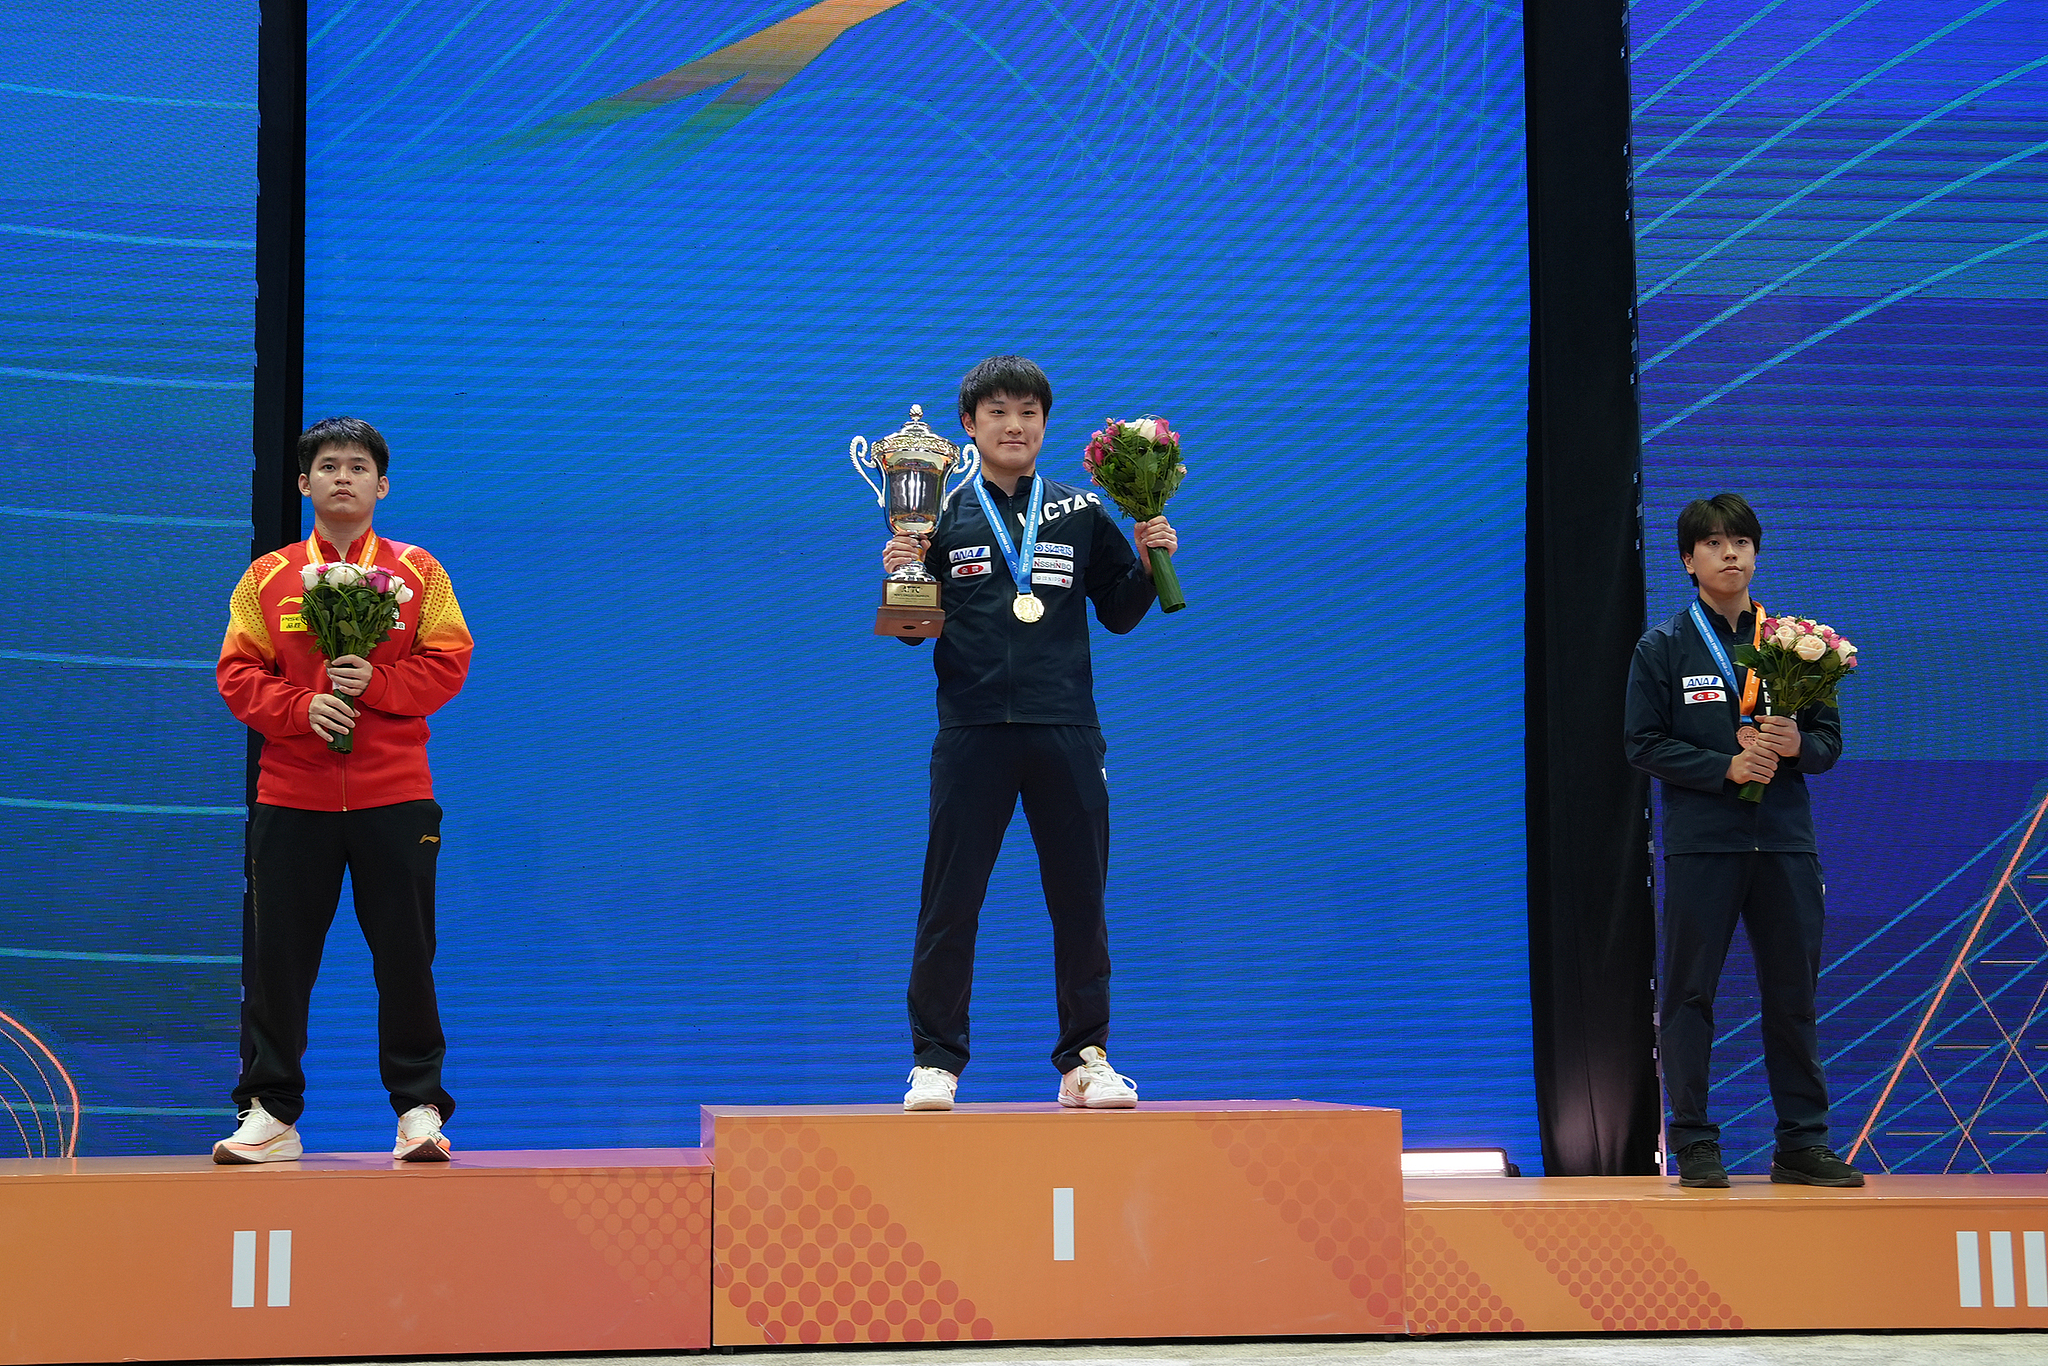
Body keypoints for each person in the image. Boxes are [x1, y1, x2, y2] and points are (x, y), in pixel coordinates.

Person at [884, 355, 1178, 1112]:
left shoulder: (1078, 512)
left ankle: (1086, 1060)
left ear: (1045, 425)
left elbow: (1117, 611)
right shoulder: (938, 514)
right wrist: (901, 573)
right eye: (999, 414)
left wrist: (1150, 561)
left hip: (1067, 732)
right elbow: (915, 631)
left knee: (1081, 900)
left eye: (1029, 414)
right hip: (974, 731)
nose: (1015, 427)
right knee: (950, 899)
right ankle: (935, 1062)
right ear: (968, 428)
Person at [211, 417, 473, 1163]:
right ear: (304, 483)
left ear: (381, 485)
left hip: (395, 794)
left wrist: (379, 682)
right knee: (279, 962)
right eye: (327, 466)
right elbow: (238, 674)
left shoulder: (420, 572)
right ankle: (270, 1111)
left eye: (359, 466)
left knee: (406, 957)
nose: (343, 477)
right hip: (293, 797)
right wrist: (301, 708)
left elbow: (450, 661)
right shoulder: (268, 577)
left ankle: (419, 1110)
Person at [1625, 493, 1862, 1188]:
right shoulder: (1663, 647)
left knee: (1793, 995)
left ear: (1757, 553)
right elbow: (1641, 744)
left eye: (1742, 542)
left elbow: (1828, 742)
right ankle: (1694, 1139)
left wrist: (1798, 744)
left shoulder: (1796, 645)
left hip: (1786, 844)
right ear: (1688, 560)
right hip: (1705, 845)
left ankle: (1801, 1143)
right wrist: (1722, 767)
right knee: (1690, 995)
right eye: (1715, 543)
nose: (1731, 553)